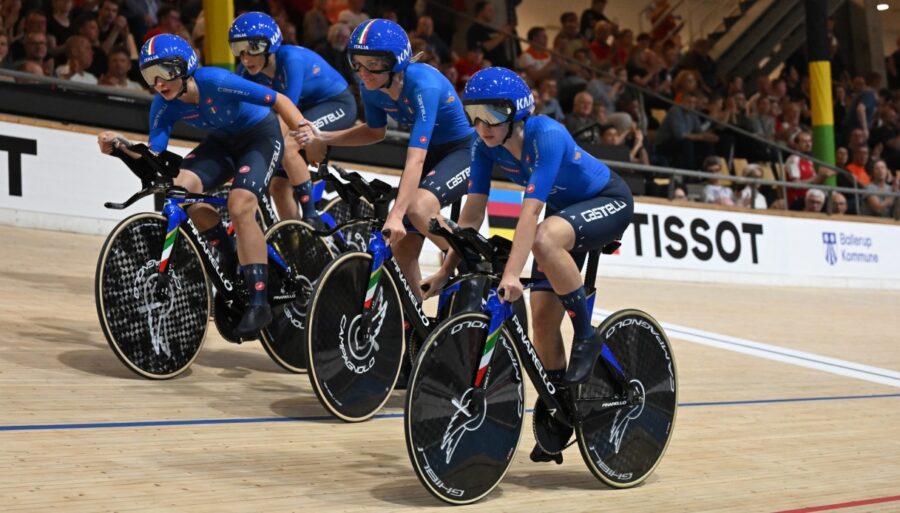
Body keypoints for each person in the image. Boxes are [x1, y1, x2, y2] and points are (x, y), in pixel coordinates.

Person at [420, 67, 633, 463]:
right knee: (543, 320)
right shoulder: (484, 146)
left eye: (492, 114)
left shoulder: (545, 135)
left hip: (607, 200)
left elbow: (530, 214)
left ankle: (587, 335)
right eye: (474, 114)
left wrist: (511, 274)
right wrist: (445, 270)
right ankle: (561, 407)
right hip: (563, 211)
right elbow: (471, 215)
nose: (482, 125)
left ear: (517, 113)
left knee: (544, 237)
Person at [97, 34, 308, 337]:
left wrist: (303, 131)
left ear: (185, 68)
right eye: (149, 75)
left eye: (165, 72)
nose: (158, 82)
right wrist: (120, 146)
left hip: (260, 137)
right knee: (179, 190)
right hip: (222, 143)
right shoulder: (162, 105)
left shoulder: (217, 80)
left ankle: (259, 302)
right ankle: (228, 252)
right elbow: (154, 156)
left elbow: (279, 100)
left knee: (239, 206)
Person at [293, 19, 474, 297]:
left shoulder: (422, 86)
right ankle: (419, 327)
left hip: (461, 151)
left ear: (396, 61)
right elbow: (375, 132)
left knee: (417, 208)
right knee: (402, 249)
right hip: (429, 156)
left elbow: (415, 160)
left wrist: (397, 215)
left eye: (373, 64)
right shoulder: (372, 87)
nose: (364, 72)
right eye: (358, 63)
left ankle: (468, 261)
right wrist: (324, 136)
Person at [229, 11, 357, 224]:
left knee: (287, 145)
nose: (246, 57)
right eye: (239, 50)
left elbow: (286, 114)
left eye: (253, 49)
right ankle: (297, 241)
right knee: (278, 187)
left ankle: (311, 217)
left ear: (270, 46)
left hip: (336, 104)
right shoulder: (246, 71)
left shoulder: (290, 59)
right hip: (304, 111)